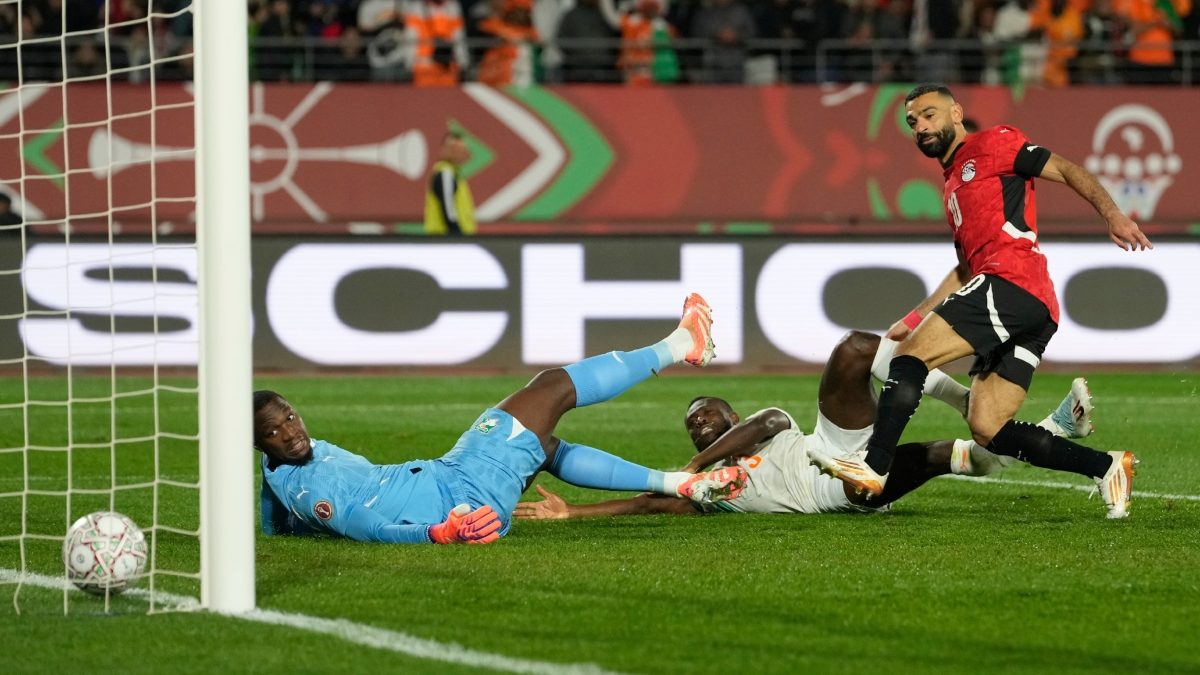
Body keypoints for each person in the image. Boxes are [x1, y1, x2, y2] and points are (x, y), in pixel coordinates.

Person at [809, 84, 1152, 519]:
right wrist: (916, 315)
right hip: (1033, 305)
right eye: (913, 122)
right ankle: (1107, 467)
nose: (921, 127)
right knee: (987, 427)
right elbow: (965, 271)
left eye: (929, 115)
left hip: (1014, 281)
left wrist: (1112, 213)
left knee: (912, 357)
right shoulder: (952, 183)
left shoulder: (994, 143)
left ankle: (874, 467)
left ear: (956, 112)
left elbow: (1065, 169)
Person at [255, 293, 749, 545]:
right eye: (273, 432)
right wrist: (437, 534)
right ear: (259, 443)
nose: (290, 432)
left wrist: (276, 523)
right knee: (554, 387)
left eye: (289, 418)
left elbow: (277, 515)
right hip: (460, 494)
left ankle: (680, 484)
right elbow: (369, 527)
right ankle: (684, 343)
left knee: (545, 446)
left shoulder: (282, 471)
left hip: (456, 484)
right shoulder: (309, 489)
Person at [516, 331, 1094, 520]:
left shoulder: (769, 424)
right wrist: (575, 513)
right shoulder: (708, 492)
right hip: (840, 490)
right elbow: (647, 504)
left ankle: (988, 406)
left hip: (836, 447)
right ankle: (1052, 429)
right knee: (963, 457)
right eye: (692, 426)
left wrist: (693, 466)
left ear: (731, 418)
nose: (700, 426)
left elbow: (763, 421)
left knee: (854, 351)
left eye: (707, 416)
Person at [424, 131, 476, 236]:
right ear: (445, 150)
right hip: (445, 240)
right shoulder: (445, 174)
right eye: (455, 148)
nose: (460, 153)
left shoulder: (454, 174)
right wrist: (458, 237)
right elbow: (449, 212)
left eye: (461, 149)